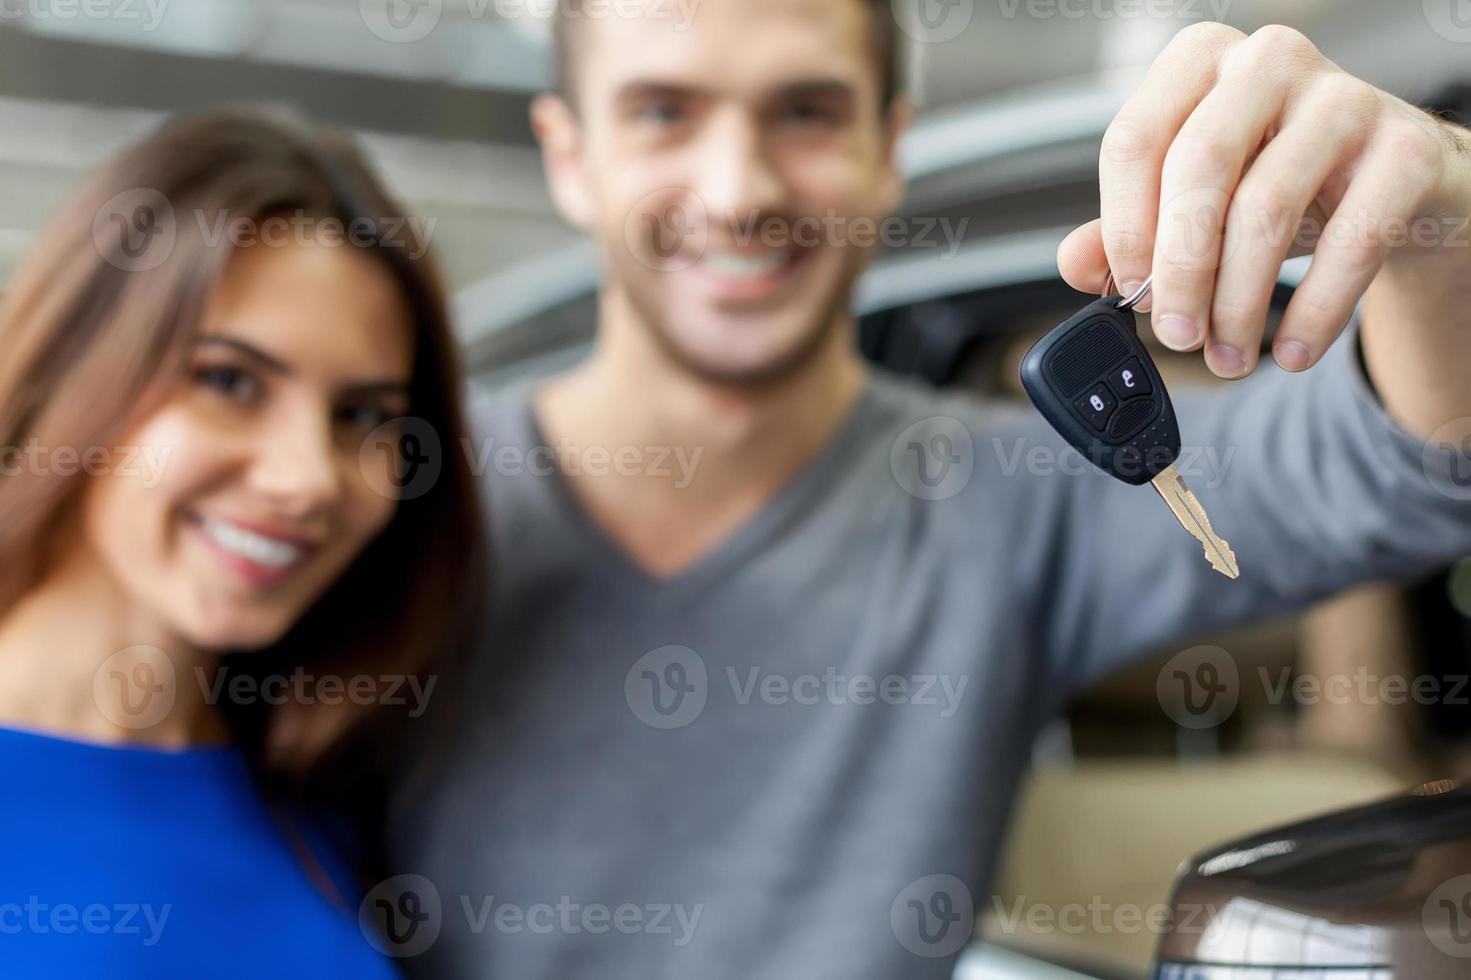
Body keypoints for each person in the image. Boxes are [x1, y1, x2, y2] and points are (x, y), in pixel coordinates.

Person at [389, 2, 1471, 977]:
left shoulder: (1003, 501)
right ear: (567, 155)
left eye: (807, 111)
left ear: (887, 148)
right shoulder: (384, 510)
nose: (738, 189)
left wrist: (1444, 208)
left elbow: (1390, 463)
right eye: (663, 112)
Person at [0, 109, 485, 977]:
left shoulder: (329, 788)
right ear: (77, 365)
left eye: (362, 416)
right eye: (229, 380)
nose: (308, 478)